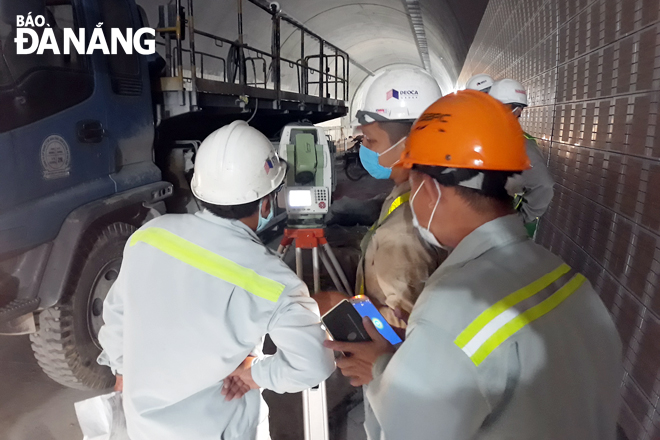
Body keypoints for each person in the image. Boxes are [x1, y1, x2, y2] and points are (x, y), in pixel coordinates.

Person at [326, 90, 622, 440]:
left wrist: (379, 371)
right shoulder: (569, 280)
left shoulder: (449, 308)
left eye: (413, 183)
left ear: (431, 190)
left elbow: (407, 430)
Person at [97, 121, 335, 440]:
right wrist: (256, 375)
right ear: (267, 202)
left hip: (143, 430)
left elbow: (116, 316)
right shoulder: (273, 280)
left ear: (200, 190)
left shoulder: (149, 236)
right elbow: (313, 365)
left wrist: (122, 367)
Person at [350, 67, 446, 326]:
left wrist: (348, 309)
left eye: (371, 140)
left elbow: (404, 331)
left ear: (408, 145)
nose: (364, 147)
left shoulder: (405, 232)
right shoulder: (412, 194)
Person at [489, 78, 555, 237]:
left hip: (495, 228)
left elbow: (544, 186)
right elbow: (544, 186)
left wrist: (522, 217)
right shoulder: (516, 144)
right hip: (493, 226)